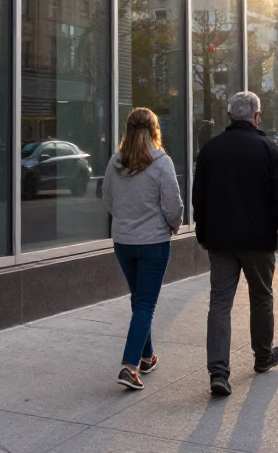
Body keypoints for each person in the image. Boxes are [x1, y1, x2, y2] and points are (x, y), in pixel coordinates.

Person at [193, 91, 278, 398]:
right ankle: (263, 357)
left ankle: (218, 371)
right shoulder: (268, 148)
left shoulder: (211, 149)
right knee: (262, 297)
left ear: (228, 117)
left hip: (221, 241)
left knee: (220, 303)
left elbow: (199, 198)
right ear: (256, 117)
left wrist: (203, 235)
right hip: (259, 241)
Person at [101, 108, 183, 391]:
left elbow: (108, 200)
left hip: (123, 242)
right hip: (153, 242)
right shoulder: (162, 162)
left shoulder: (115, 162)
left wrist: (125, 220)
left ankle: (146, 358)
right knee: (146, 303)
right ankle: (129, 366)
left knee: (139, 301)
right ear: (154, 129)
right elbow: (173, 206)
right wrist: (174, 225)